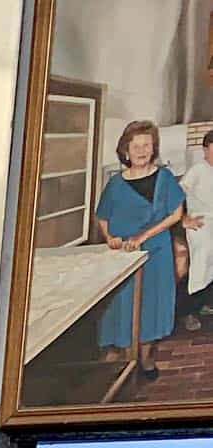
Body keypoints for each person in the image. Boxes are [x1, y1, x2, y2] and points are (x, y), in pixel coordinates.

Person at [95, 119, 186, 380]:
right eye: (137, 146)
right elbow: (103, 216)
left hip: (156, 253)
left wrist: (144, 235)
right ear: (125, 150)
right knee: (120, 307)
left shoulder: (164, 177)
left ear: (154, 148)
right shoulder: (115, 184)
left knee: (152, 306)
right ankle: (119, 358)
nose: (143, 150)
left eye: (148, 145)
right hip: (123, 255)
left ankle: (145, 358)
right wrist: (110, 237)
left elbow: (176, 213)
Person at [181, 128, 213, 328]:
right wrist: (183, 219)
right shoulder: (197, 170)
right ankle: (187, 311)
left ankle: (204, 303)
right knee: (202, 258)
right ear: (204, 150)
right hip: (199, 223)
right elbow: (176, 195)